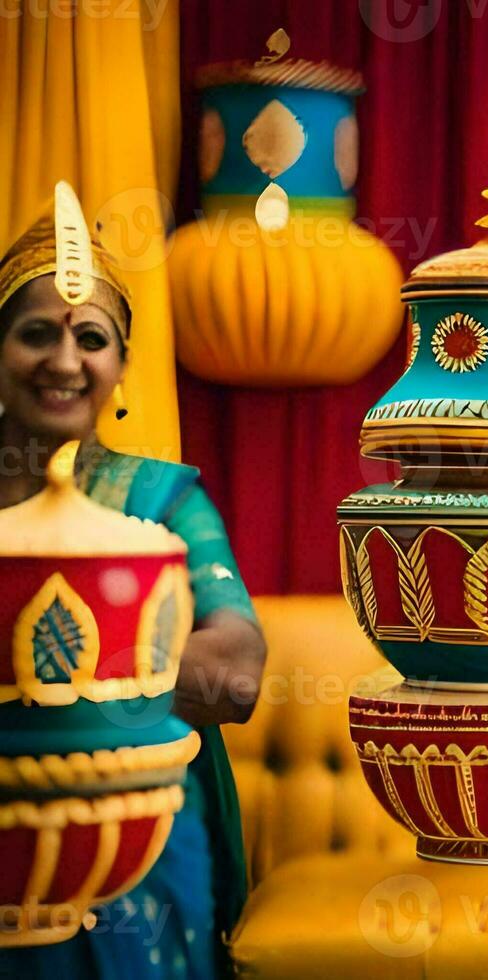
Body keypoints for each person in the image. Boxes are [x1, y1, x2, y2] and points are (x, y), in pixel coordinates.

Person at [0, 183, 265, 978]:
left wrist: (50, 675)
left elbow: (236, 676)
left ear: (122, 365)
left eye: (92, 337)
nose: (65, 360)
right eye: (36, 333)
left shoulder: (163, 502)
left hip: (131, 844)